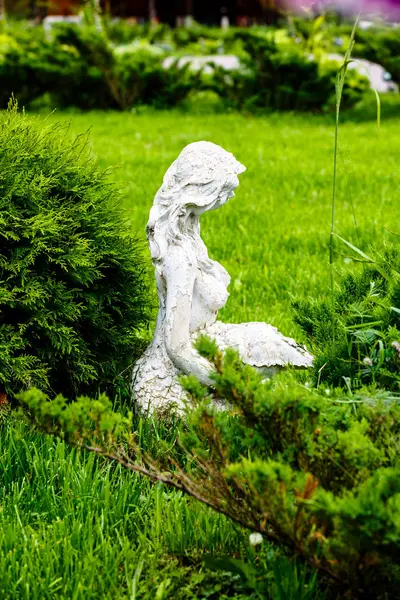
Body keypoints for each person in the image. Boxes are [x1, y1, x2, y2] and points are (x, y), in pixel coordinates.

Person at [133, 142, 313, 413]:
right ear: (201, 192)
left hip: (202, 342)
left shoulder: (189, 234)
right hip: (169, 380)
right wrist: (228, 385)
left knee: (267, 343)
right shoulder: (180, 257)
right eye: (223, 191)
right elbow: (177, 347)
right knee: (259, 400)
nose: (227, 198)